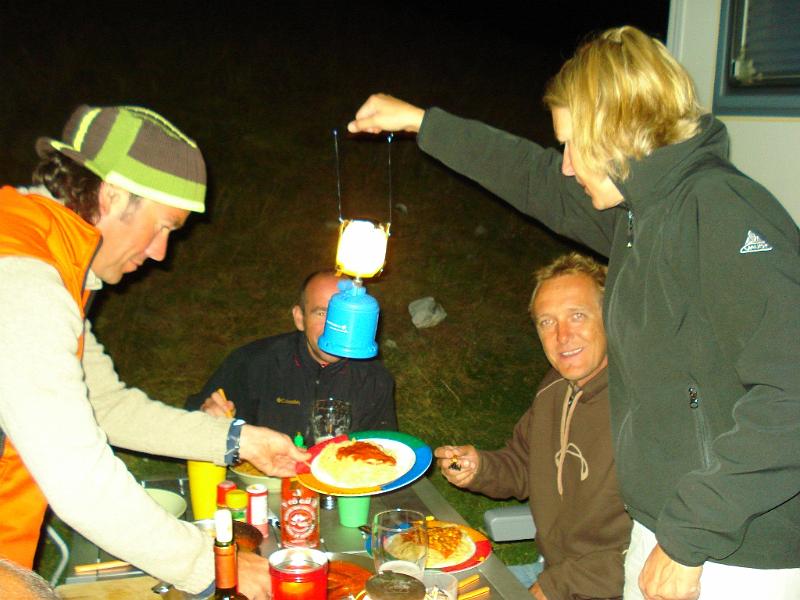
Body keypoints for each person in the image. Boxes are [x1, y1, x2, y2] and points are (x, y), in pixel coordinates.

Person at [348, 25, 800, 600]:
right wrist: (421, 122)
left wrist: (693, 535)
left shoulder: (717, 211)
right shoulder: (641, 217)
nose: (565, 165)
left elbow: (792, 392)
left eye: (571, 144)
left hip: (734, 551)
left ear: (616, 131)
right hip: (669, 529)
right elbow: (534, 179)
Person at [0, 105, 309, 599]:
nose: (162, 253)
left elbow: (105, 406)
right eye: (164, 226)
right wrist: (209, 564)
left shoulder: (39, 257)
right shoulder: (23, 280)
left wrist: (239, 440)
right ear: (113, 194)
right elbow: (78, 479)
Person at [435, 253, 631, 600]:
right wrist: (481, 468)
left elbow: (661, 548)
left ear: (611, 316)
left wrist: (559, 586)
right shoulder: (554, 388)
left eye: (577, 315)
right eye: (547, 322)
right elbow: (525, 464)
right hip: (554, 576)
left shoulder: (643, 408)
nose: (562, 336)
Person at [186, 269, 397, 438]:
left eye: (342, 315)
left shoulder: (374, 379)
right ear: (299, 318)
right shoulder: (253, 362)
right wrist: (207, 416)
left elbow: (384, 451)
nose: (334, 327)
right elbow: (190, 425)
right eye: (322, 313)